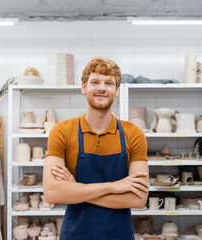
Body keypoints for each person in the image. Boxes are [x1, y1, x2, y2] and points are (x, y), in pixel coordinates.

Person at [43, 56, 149, 240]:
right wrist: (113, 186)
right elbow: (52, 193)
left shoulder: (133, 134)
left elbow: (138, 199)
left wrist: (75, 189)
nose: (101, 88)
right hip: (76, 235)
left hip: (118, 235)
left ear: (116, 90)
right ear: (83, 87)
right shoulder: (62, 131)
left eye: (109, 83)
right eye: (95, 82)